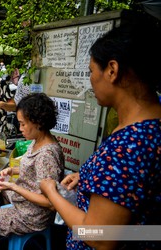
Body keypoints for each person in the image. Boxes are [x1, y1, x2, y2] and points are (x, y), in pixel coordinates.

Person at [40, 12, 161, 250]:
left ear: (112, 70)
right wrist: (87, 180)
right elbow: (149, 226)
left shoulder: (129, 144)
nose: (91, 80)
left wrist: (51, 194)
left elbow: (100, 236)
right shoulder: (150, 125)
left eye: (91, 71)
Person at [0, 93, 64, 236]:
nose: (20, 128)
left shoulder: (47, 155)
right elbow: (35, 171)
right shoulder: (38, 139)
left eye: (23, 124)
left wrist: (14, 187)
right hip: (25, 203)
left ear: (38, 122)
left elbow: (50, 202)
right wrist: (12, 171)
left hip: (32, 216)